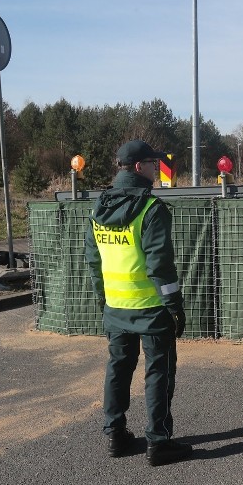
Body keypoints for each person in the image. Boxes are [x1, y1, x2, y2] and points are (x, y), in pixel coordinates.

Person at [85, 139, 192, 467]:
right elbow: (160, 265)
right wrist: (174, 306)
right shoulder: (151, 209)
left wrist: (104, 301)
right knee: (158, 371)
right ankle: (158, 442)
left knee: (118, 368)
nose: (157, 168)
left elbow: (93, 260)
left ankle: (115, 434)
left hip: (116, 308)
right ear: (138, 167)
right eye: (152, 162)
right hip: (151, 309)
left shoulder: (99, 207)